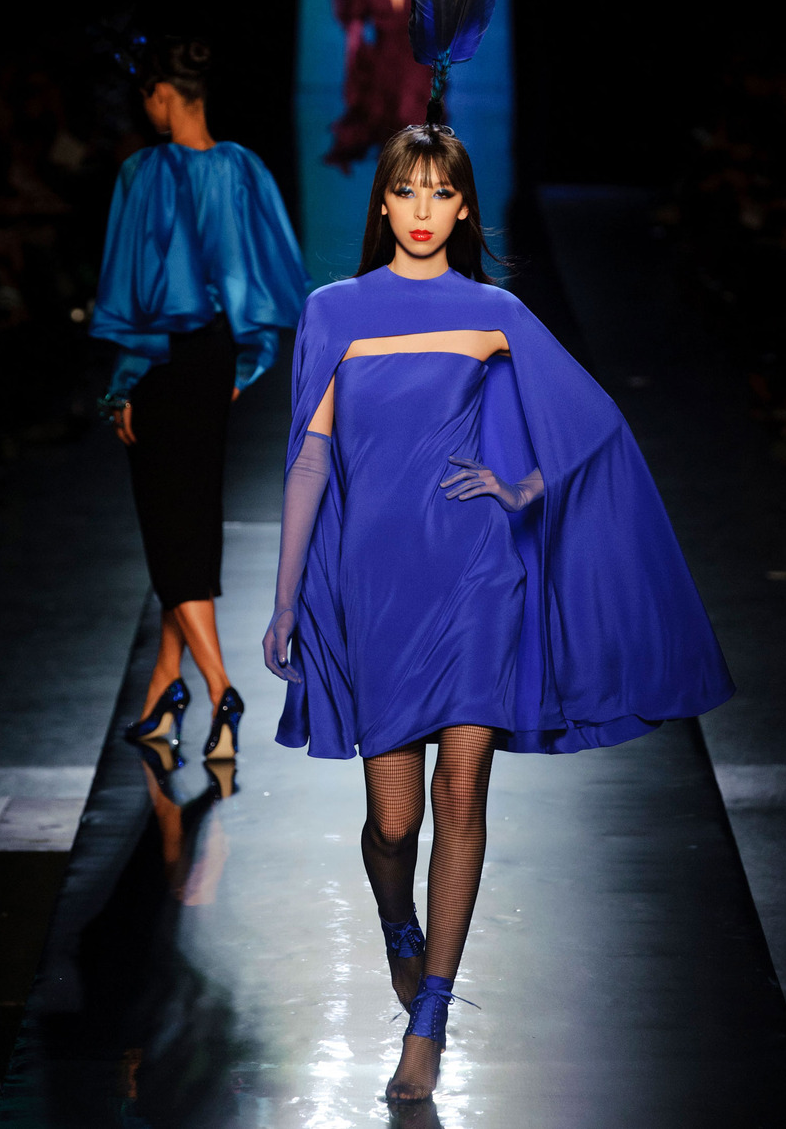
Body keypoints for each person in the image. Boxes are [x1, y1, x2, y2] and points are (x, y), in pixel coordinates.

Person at [263, 123, 734, 1102]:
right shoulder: (333, 310)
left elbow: (588, 419)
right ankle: (397, 924)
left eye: (441, 192)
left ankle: (428, 1018)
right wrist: (284, 597)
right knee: (392, 821)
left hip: (477, 577)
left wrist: (520, 489)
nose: (423, 209)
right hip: (375, 584)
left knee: (461, 794)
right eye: (407, 190)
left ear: (464, 207)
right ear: (382, 202)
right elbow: (311, 456)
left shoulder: (494, 312)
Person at [92, 36, 309, 760]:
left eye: (147, 96)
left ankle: (220, 691)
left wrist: (122, 382)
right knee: (190, 519)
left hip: (161, 363)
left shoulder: (144, 173)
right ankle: (164, 690)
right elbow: (264, 272)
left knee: (169, 529)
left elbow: (137, 293)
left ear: (162, 95)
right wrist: (249, 356)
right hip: (215, 360)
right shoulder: (242, 169)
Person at [324, 0, 434, 172]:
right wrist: (353, 73)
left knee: (414, 141)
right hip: (380, 69)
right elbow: (354, 32)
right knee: (386, 144)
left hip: (416, 69)